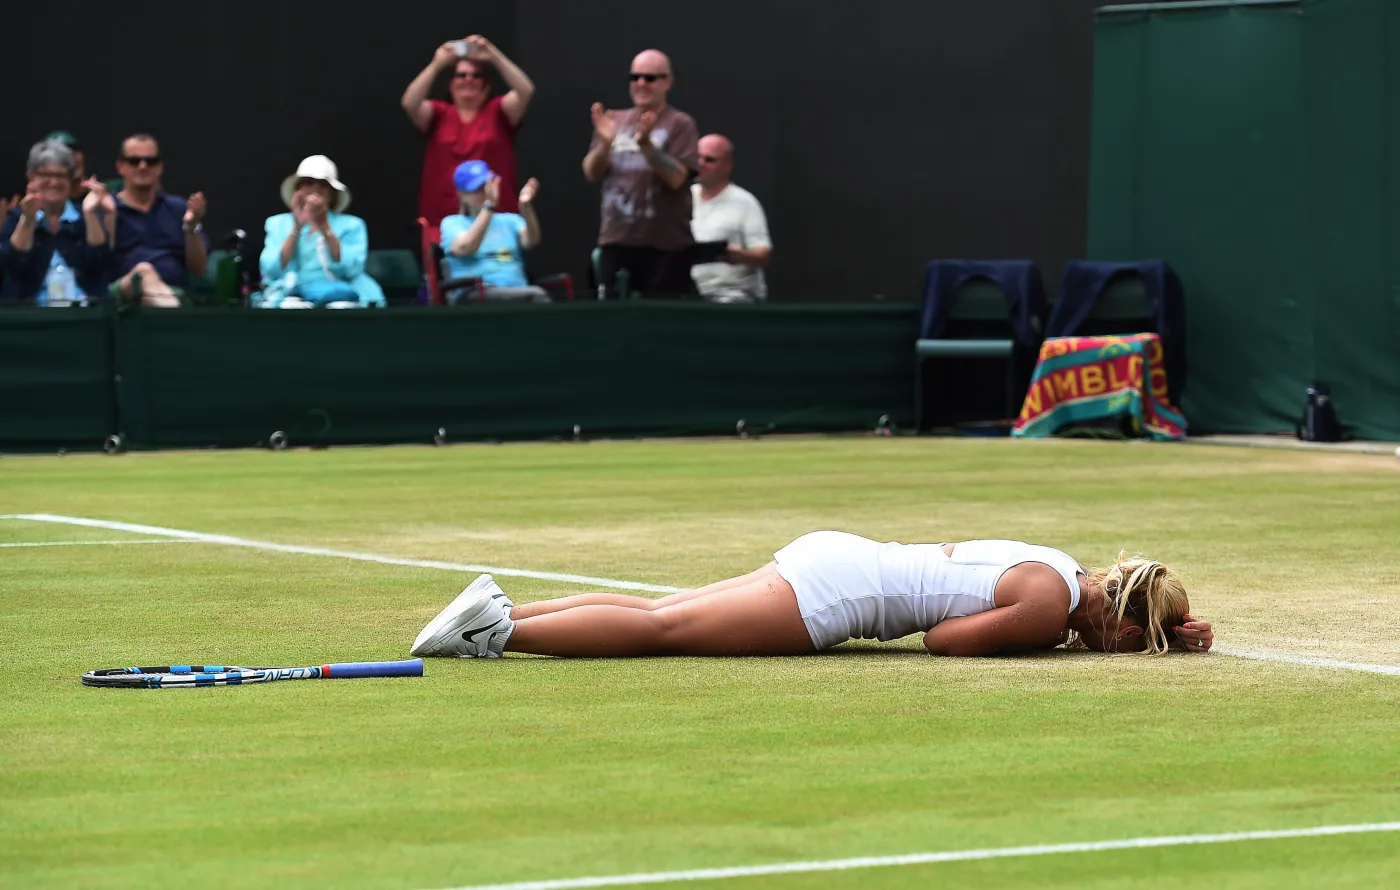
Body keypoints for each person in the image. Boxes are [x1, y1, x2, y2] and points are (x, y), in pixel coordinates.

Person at [409, 531, 1215, 659]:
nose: (1121, 650)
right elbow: (942, 642)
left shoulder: (1063, 566)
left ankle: (501, 612)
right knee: (663, 630)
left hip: (837, 554)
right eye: (1134, 638)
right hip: (838, 598)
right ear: (1118, 613)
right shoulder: (1048, 607)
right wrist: (1061, 648)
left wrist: (1160, 634)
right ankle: (498, 633)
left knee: (665, 611)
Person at [584, 49, 700, 299]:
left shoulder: (680, 124)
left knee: (662, 326)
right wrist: (604, 145)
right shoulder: (613, 120)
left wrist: (647, 146)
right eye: (635, 77)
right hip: (616, 240)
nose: (640, 84)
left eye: (650, 78)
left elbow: (677, 178)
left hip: (664, 247)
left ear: (668, 82)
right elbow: (591, 172)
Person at [403, 34, 535, 226]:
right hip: (443, 219)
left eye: (476, 75)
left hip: (496, 217)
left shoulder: (498, 111)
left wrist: (493, 56)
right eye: (461, 75)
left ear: (486, 85)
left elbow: (525, 91)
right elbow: (410, 103)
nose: (468, 80)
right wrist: (437, 65)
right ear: (451, 83)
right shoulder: (439, 113)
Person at [254, 155, 385, 309]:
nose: (315, 189)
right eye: (308, 183)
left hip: (342, 291)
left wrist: (324, 226)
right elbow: (271, 270)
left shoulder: (352, 225)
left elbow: (351, 269)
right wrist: (297, 227)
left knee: (342, 308)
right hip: (292, 292)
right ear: (298, 189)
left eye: (323, 184)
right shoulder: (277, 223)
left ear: (333, 192)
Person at [0, 140, 114, 305]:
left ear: (71, 179)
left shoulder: (84, 215)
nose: (54, 182)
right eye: (45, 175)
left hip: (85, 315)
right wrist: (29, 220)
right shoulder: (15, 218)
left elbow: (101, 265)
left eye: (61, 175)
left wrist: (90, 214)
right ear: (31, 177)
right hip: (31, 317)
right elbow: (14, 267)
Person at [109, 134, 209, 307]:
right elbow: (97, 263)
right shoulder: (109, 208)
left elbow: (199, 269)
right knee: (144, 272)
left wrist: (191, 226)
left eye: (151, 161)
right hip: (122, 294)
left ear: (160, 167)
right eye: (134, 161)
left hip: (173, 291)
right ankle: (174, 320)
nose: (143, 166)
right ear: (120, 167)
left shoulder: (178, 208)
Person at [438, 159, 545, 303]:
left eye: (486, 186)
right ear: (461, 195)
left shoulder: (510, 220)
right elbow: (464, 247)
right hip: (474, 294)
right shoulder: (452, 223)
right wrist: (489, 206)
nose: (484, 193)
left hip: (517, 290)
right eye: (476, 189)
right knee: (537, 296)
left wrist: (526, 207)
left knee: (535, 297)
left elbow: (531, 240)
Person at [690, 134, 772, 302]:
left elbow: (764, 254)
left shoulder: (745, 202)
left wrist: (739, 256)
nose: (700, 164)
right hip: (689, 291)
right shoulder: (684, 198)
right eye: (697, 157)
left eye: (709, 160)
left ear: (727, 166)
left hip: (731, 292)